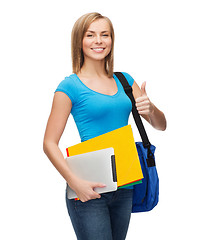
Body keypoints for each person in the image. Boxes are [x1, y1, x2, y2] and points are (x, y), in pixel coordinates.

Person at [43, 12, 167, 240]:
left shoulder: (125, 81)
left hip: (126, 184)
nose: (98, 41)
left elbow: (161, 126)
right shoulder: (69, 86)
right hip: (89, 188)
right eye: (90, 35)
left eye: (105, 35)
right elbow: (49, 143)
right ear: (79, 41)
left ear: (112, 40)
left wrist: (151, 109)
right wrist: (74, 182)